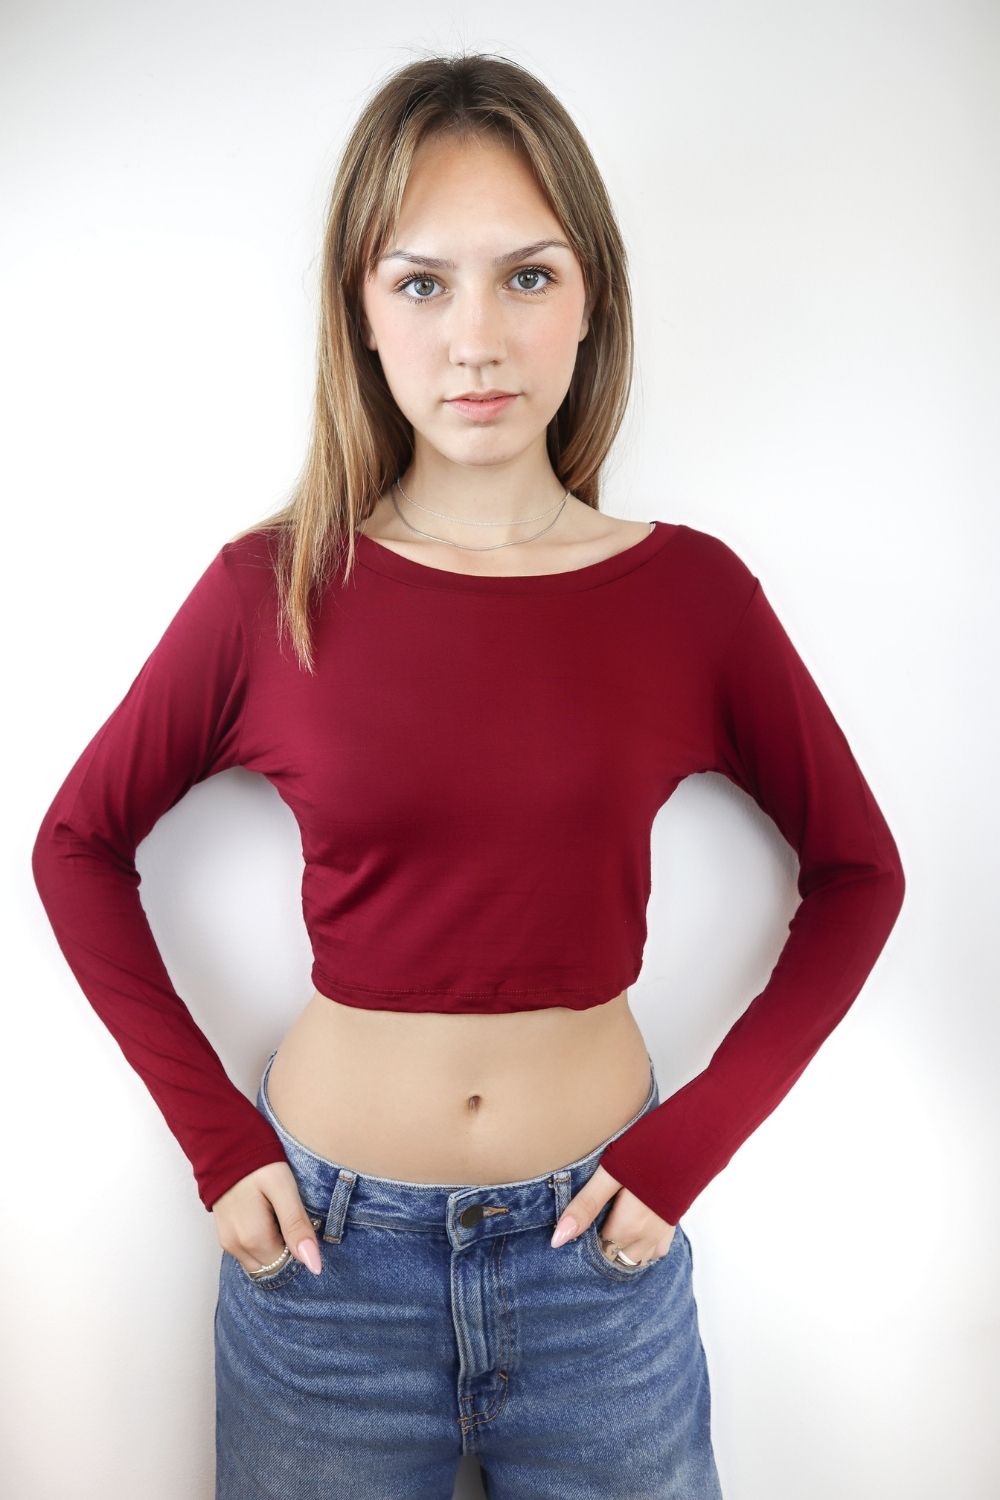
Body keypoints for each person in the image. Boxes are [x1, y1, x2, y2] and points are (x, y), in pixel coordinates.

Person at [30, 51, 905, 1500]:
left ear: (593, 298)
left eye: (528, 276)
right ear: (361, 311)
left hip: (598, 1270)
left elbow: (862, 873)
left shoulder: (691, 598)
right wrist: (215, 1142)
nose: (476, 340)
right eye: (423, 283)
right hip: (326, 1274)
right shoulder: (271, 591)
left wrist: (692, 1146)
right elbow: (74, 843)